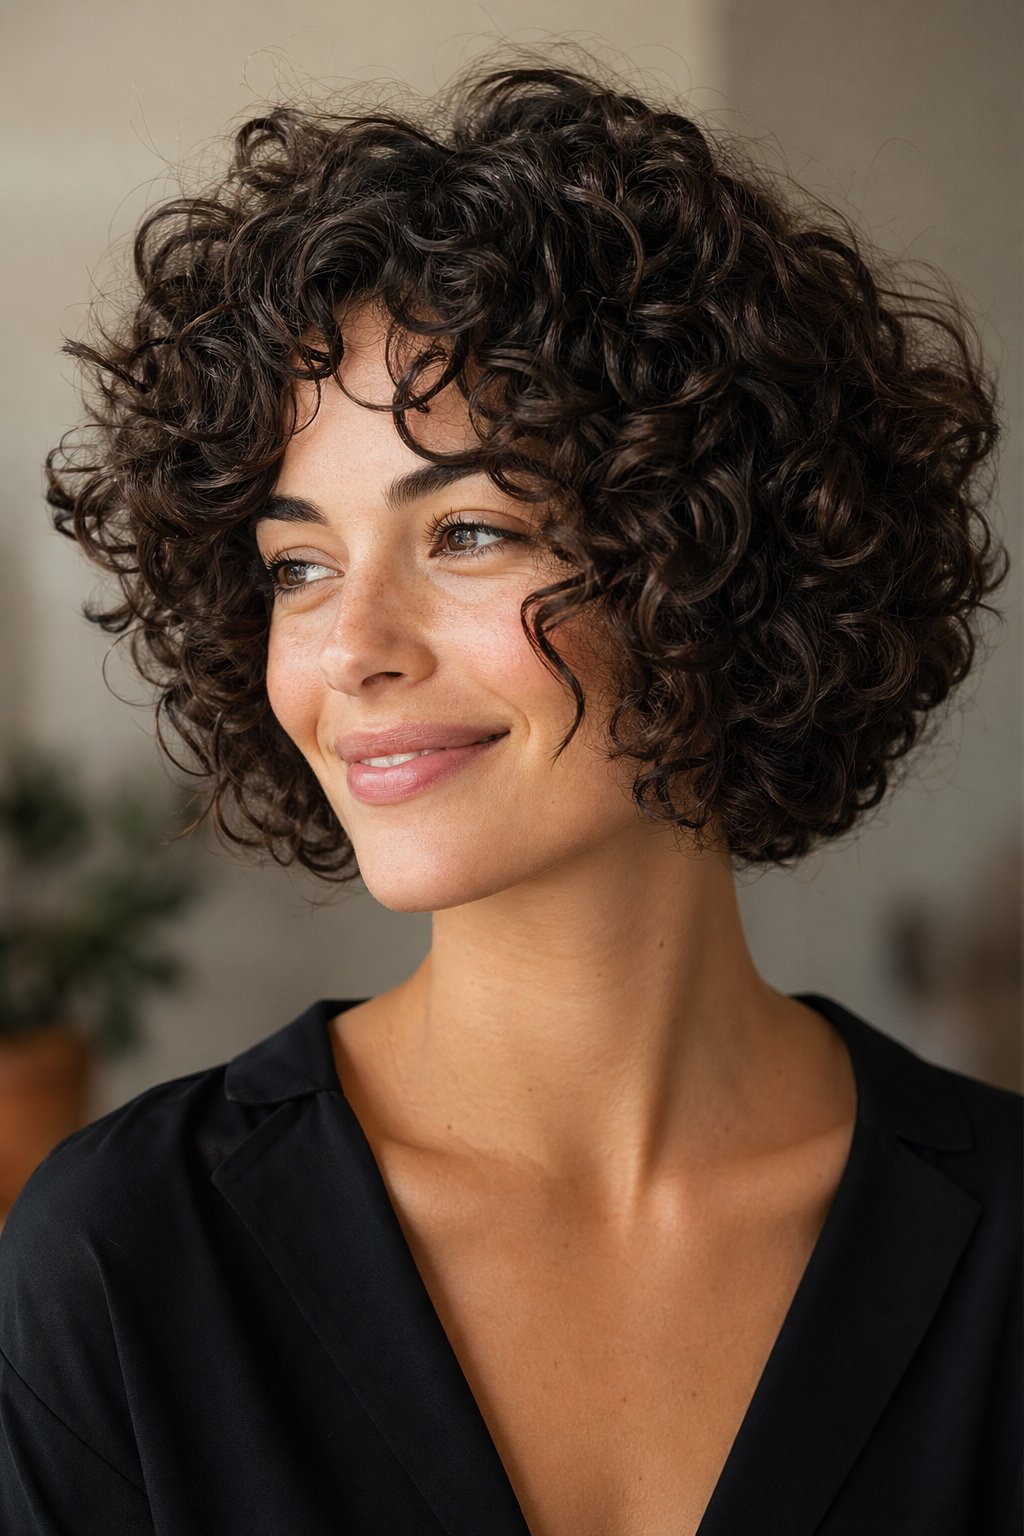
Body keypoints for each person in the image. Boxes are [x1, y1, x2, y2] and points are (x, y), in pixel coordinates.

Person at [0, 55, 1019, 1536]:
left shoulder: (998, 1253)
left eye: (467, 532)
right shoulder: (126, 1254)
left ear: (714, 559)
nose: (352, 648)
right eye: (299, 565)